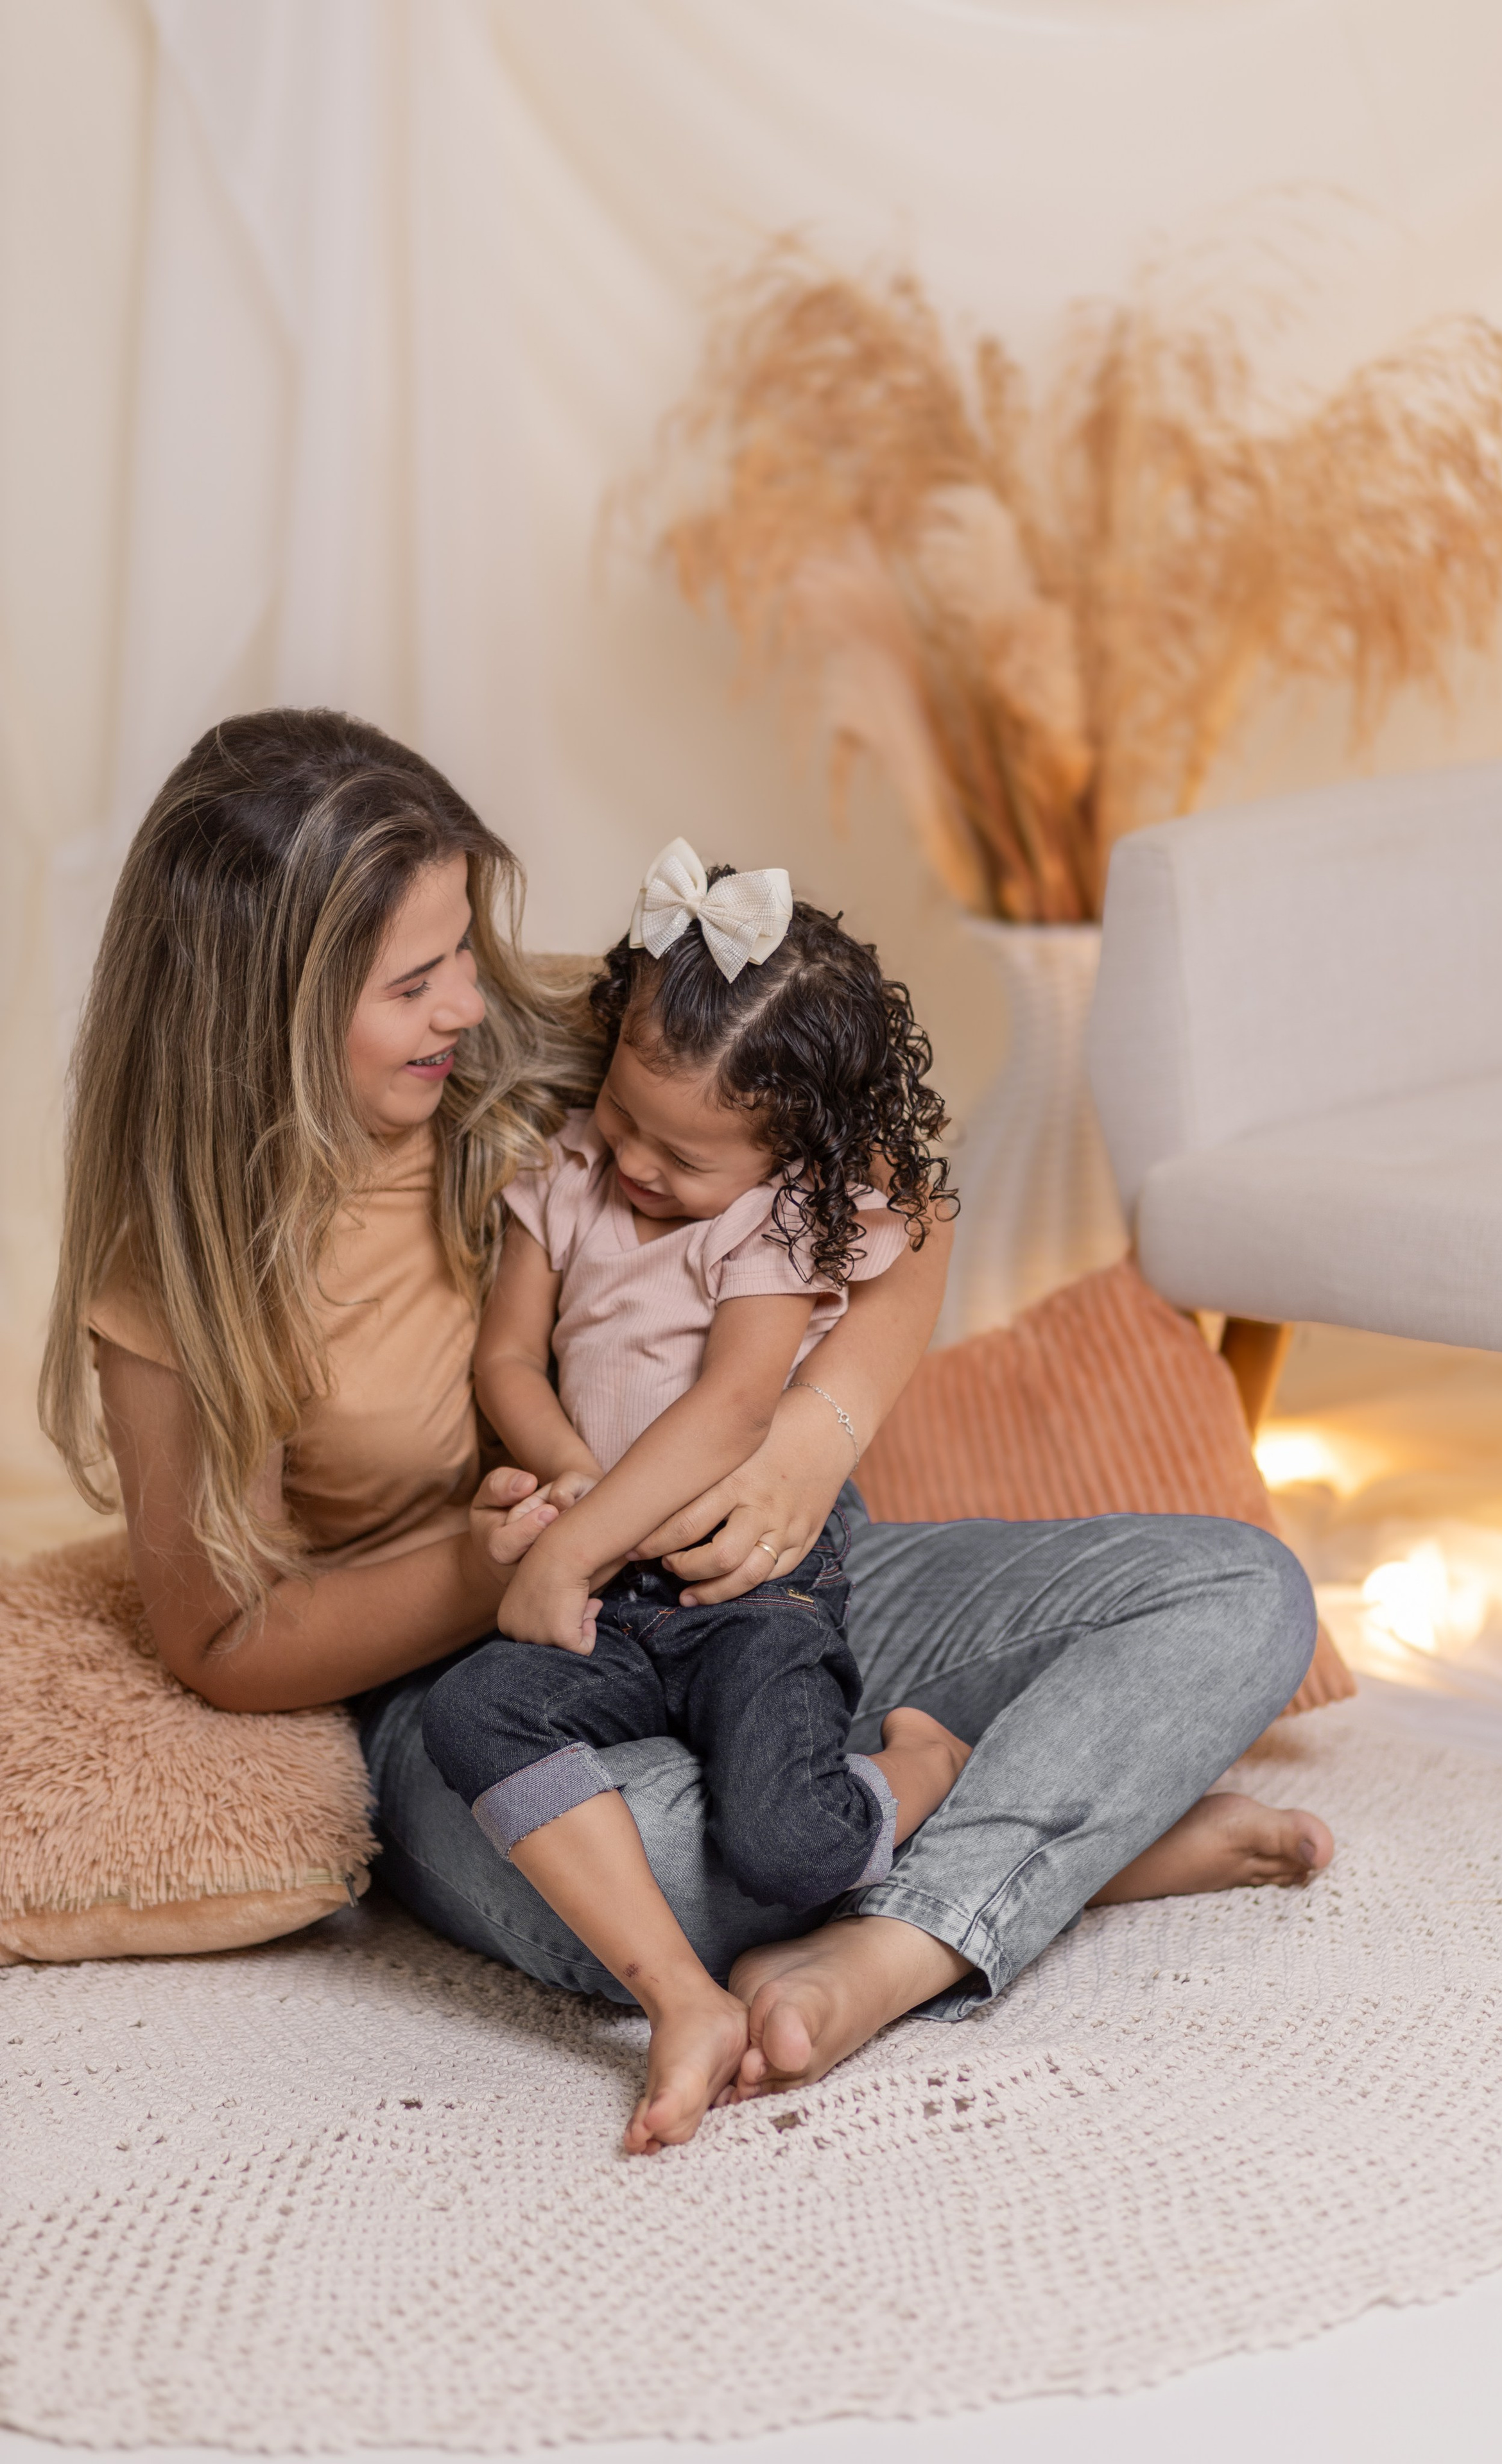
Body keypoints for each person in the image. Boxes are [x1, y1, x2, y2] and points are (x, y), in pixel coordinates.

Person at [40, 707, 1332, 2155]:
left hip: (756, 1568)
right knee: (640, 1867)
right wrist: (497, 1571)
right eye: (414, 982)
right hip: (494, 1672)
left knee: (1236, 1591)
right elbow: (218, 1644)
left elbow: (907, 1216)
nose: (465, 1001)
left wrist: (806, 1441)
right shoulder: (179, 1281)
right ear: (257, 1011)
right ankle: (1045, 1833)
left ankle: (894, 1935)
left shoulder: (570, 1052)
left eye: (463, 943)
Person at [422, 838, 974, 2149]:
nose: (638, 1168)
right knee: (471, 1711)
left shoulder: (771, 1223)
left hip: (744, 1586)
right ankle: (679, 1991)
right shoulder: (559, 1177)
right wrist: (568, 1480)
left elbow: (734, 1405)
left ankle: (922, 1768)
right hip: (615, 1584)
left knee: (784, 1846)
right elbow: (506, 1355)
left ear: (786, 1158)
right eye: (622, 1120)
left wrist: (564, 1558)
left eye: (682, 1156)